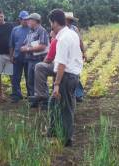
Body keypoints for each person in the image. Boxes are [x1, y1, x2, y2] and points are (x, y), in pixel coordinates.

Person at [48, 9, 83, 147]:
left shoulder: (63, 39)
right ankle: (53, 130)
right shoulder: (72, 33)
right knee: (53, 103)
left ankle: (67, 139)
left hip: (66, 77)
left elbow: (62, 63)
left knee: (66, 108)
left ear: (55, 22)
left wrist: (56, 84)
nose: (50, 25)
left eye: (51, 23)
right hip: (73, 75)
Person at [20, 13, 50, 107]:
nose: (28, 21)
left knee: (40, 81)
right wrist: (23, 48)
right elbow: (25, 44)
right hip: (30, 60)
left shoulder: (42, 31)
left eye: (30, 20)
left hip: (39, 60)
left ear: (35, 21)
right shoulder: (30, 32)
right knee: (31, 81)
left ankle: (45, 102)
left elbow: (42, 46)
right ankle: (35, 102)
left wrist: (27, 49)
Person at [30, 30, 57, 109]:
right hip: (68, 66)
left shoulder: (55, 40)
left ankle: (42, 96)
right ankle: (52, 100)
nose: (50, 35)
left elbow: (49, 57)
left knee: (39, 67)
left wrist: (45, 62)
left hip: (59, 65)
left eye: (52, 34)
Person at [64, 12, 86, 102]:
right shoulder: (60, 29)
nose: (69, 21)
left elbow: (80, 41)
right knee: (65, 76)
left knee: (75, 75)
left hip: (75, 55)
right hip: (65, 56)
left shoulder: (75, 29)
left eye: (70, 20)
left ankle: (78, 94)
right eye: (67, 20)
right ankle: (68, 94)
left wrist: (84, 52)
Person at [9, 11, 30, 103]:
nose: (26, 21)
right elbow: (11, 44)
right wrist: (11, 56)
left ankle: (31, 95)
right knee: (15, 78)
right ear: (20, 20)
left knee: (29, 77)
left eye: (27, 19)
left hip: (29, 57)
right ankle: (16, 96)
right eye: (24, 19)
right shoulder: (15, 30)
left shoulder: (32, 29)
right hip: (17, 57)